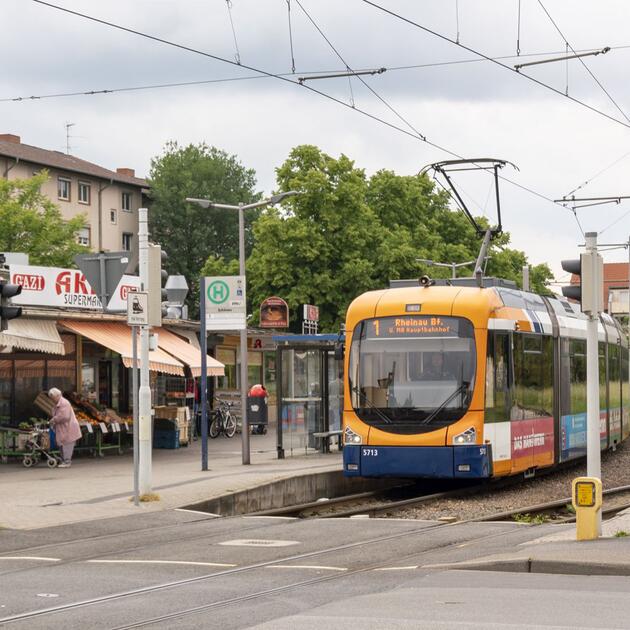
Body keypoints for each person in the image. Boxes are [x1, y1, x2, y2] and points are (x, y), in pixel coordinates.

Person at [48, 388, 82, 468]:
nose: (52, 399)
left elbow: (64, 416)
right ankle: (64, 460)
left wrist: (54, 419)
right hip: (63, 428)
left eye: (52, 397)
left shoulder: (64, 403)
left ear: (57, 396)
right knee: (62, 444)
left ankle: (67, 461)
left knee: (67, 444)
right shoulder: (59, 403)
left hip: (68, 427)